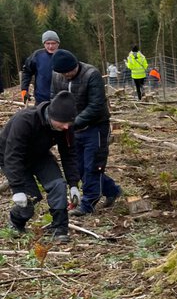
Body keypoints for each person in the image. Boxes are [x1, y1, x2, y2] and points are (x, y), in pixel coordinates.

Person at [0, 91, 81, 243]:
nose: (65, 127)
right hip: (12, 157)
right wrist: (18, 189)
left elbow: (69, 155)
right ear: (51, 116)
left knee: (58, 184)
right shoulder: (24, 121)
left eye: (68, 124)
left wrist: (74, 184)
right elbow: (12, 156)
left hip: (40, 155)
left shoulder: (65, 127)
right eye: (62, 123)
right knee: (30, 199)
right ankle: (16, 222)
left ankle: (59, 229)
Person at [51, 49, 122, 216]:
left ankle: (88, 203)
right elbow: (54, 98)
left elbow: (96, 106)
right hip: (72, 129)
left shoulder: (91, 74)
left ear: (76, 65)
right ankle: (112, 190)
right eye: (64, 73)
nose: (67, 75)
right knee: (79, 168)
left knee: (93, 166)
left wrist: (72, 123)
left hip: (95, 127)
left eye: (70, 71)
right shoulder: (56, 76)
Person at [20, 30, 61, 105]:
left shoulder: (64, 56)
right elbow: (27, 71)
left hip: (60, 99)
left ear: (58, 44)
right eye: (48, 43)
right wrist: (24, 89)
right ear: (44, 44)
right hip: (41, 99)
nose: (50, 46)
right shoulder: (37, 55)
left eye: (53, 43)